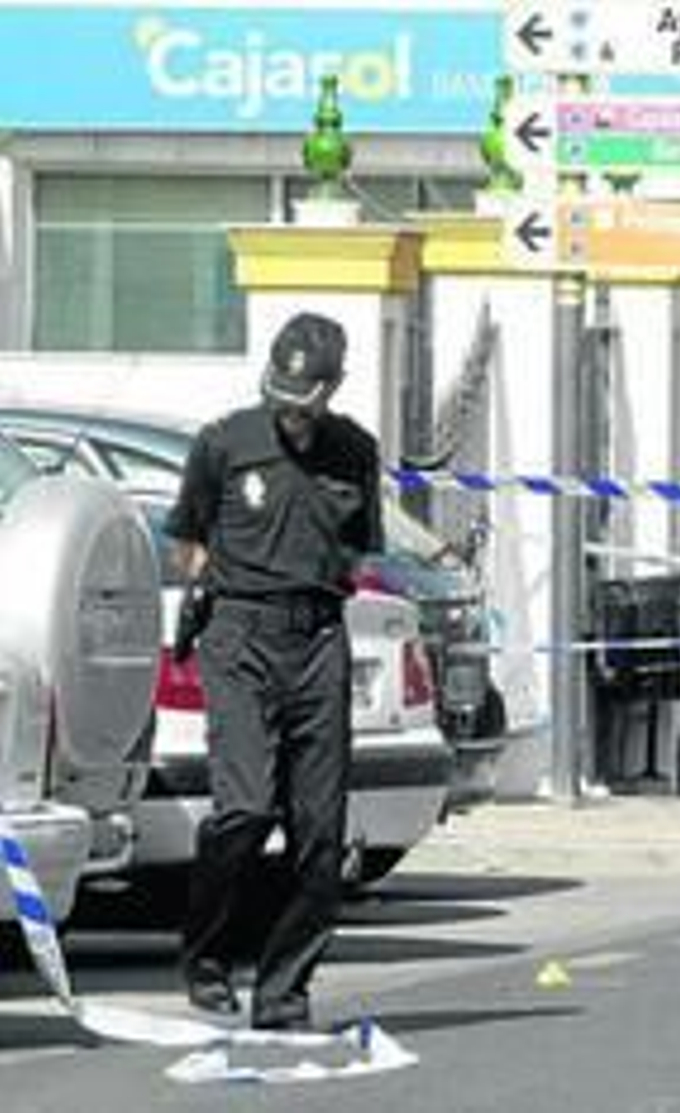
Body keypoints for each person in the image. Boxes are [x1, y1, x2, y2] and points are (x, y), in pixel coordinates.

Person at [168, 312, 383, 1031]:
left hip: (318, 639)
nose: (291, 410)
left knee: (321, 832)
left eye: (304, 399)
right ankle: (205, 955)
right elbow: (189, 540)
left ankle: (284, 989)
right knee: (245, 808)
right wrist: (215, 604)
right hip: (240, 636)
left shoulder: (355, 451)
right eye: (281, 394)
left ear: (331, 390)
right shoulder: (225, 441)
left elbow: (357, 550)